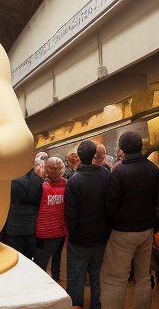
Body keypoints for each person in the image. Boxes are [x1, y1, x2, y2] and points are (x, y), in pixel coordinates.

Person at [100, 131, 159, 309]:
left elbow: (110, 205)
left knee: (116, 278)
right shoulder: (153, 169)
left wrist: (111, 224)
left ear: (122, 149)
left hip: (122, 232)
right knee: (143, 277)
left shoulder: (119, 172)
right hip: (146, 231)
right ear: (141, 147)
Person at [64, 139, 111, 309]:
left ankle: (76, 305)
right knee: (97, 276)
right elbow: (110, 205)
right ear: (94, 155)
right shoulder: (106, 175)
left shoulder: (74, 181)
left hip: (79, 240)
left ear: (79, 156)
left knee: (76, 277)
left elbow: (70, 214)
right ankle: (96, 305)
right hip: (101, 238)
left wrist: (74, 235)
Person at [2, 152, 44, 259]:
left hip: (13, 226)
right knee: (28, 257)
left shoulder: (11, 179)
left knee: (14, 257)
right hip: (30, 226)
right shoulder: (38, 181)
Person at [34, 156, 67, 282]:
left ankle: (42, 287)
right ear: (62, 170)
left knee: (41, 264)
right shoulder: (67, 186)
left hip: (43, 232)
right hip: (60, 231)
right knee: (57, 260)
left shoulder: (41, 187)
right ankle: (56, 282)